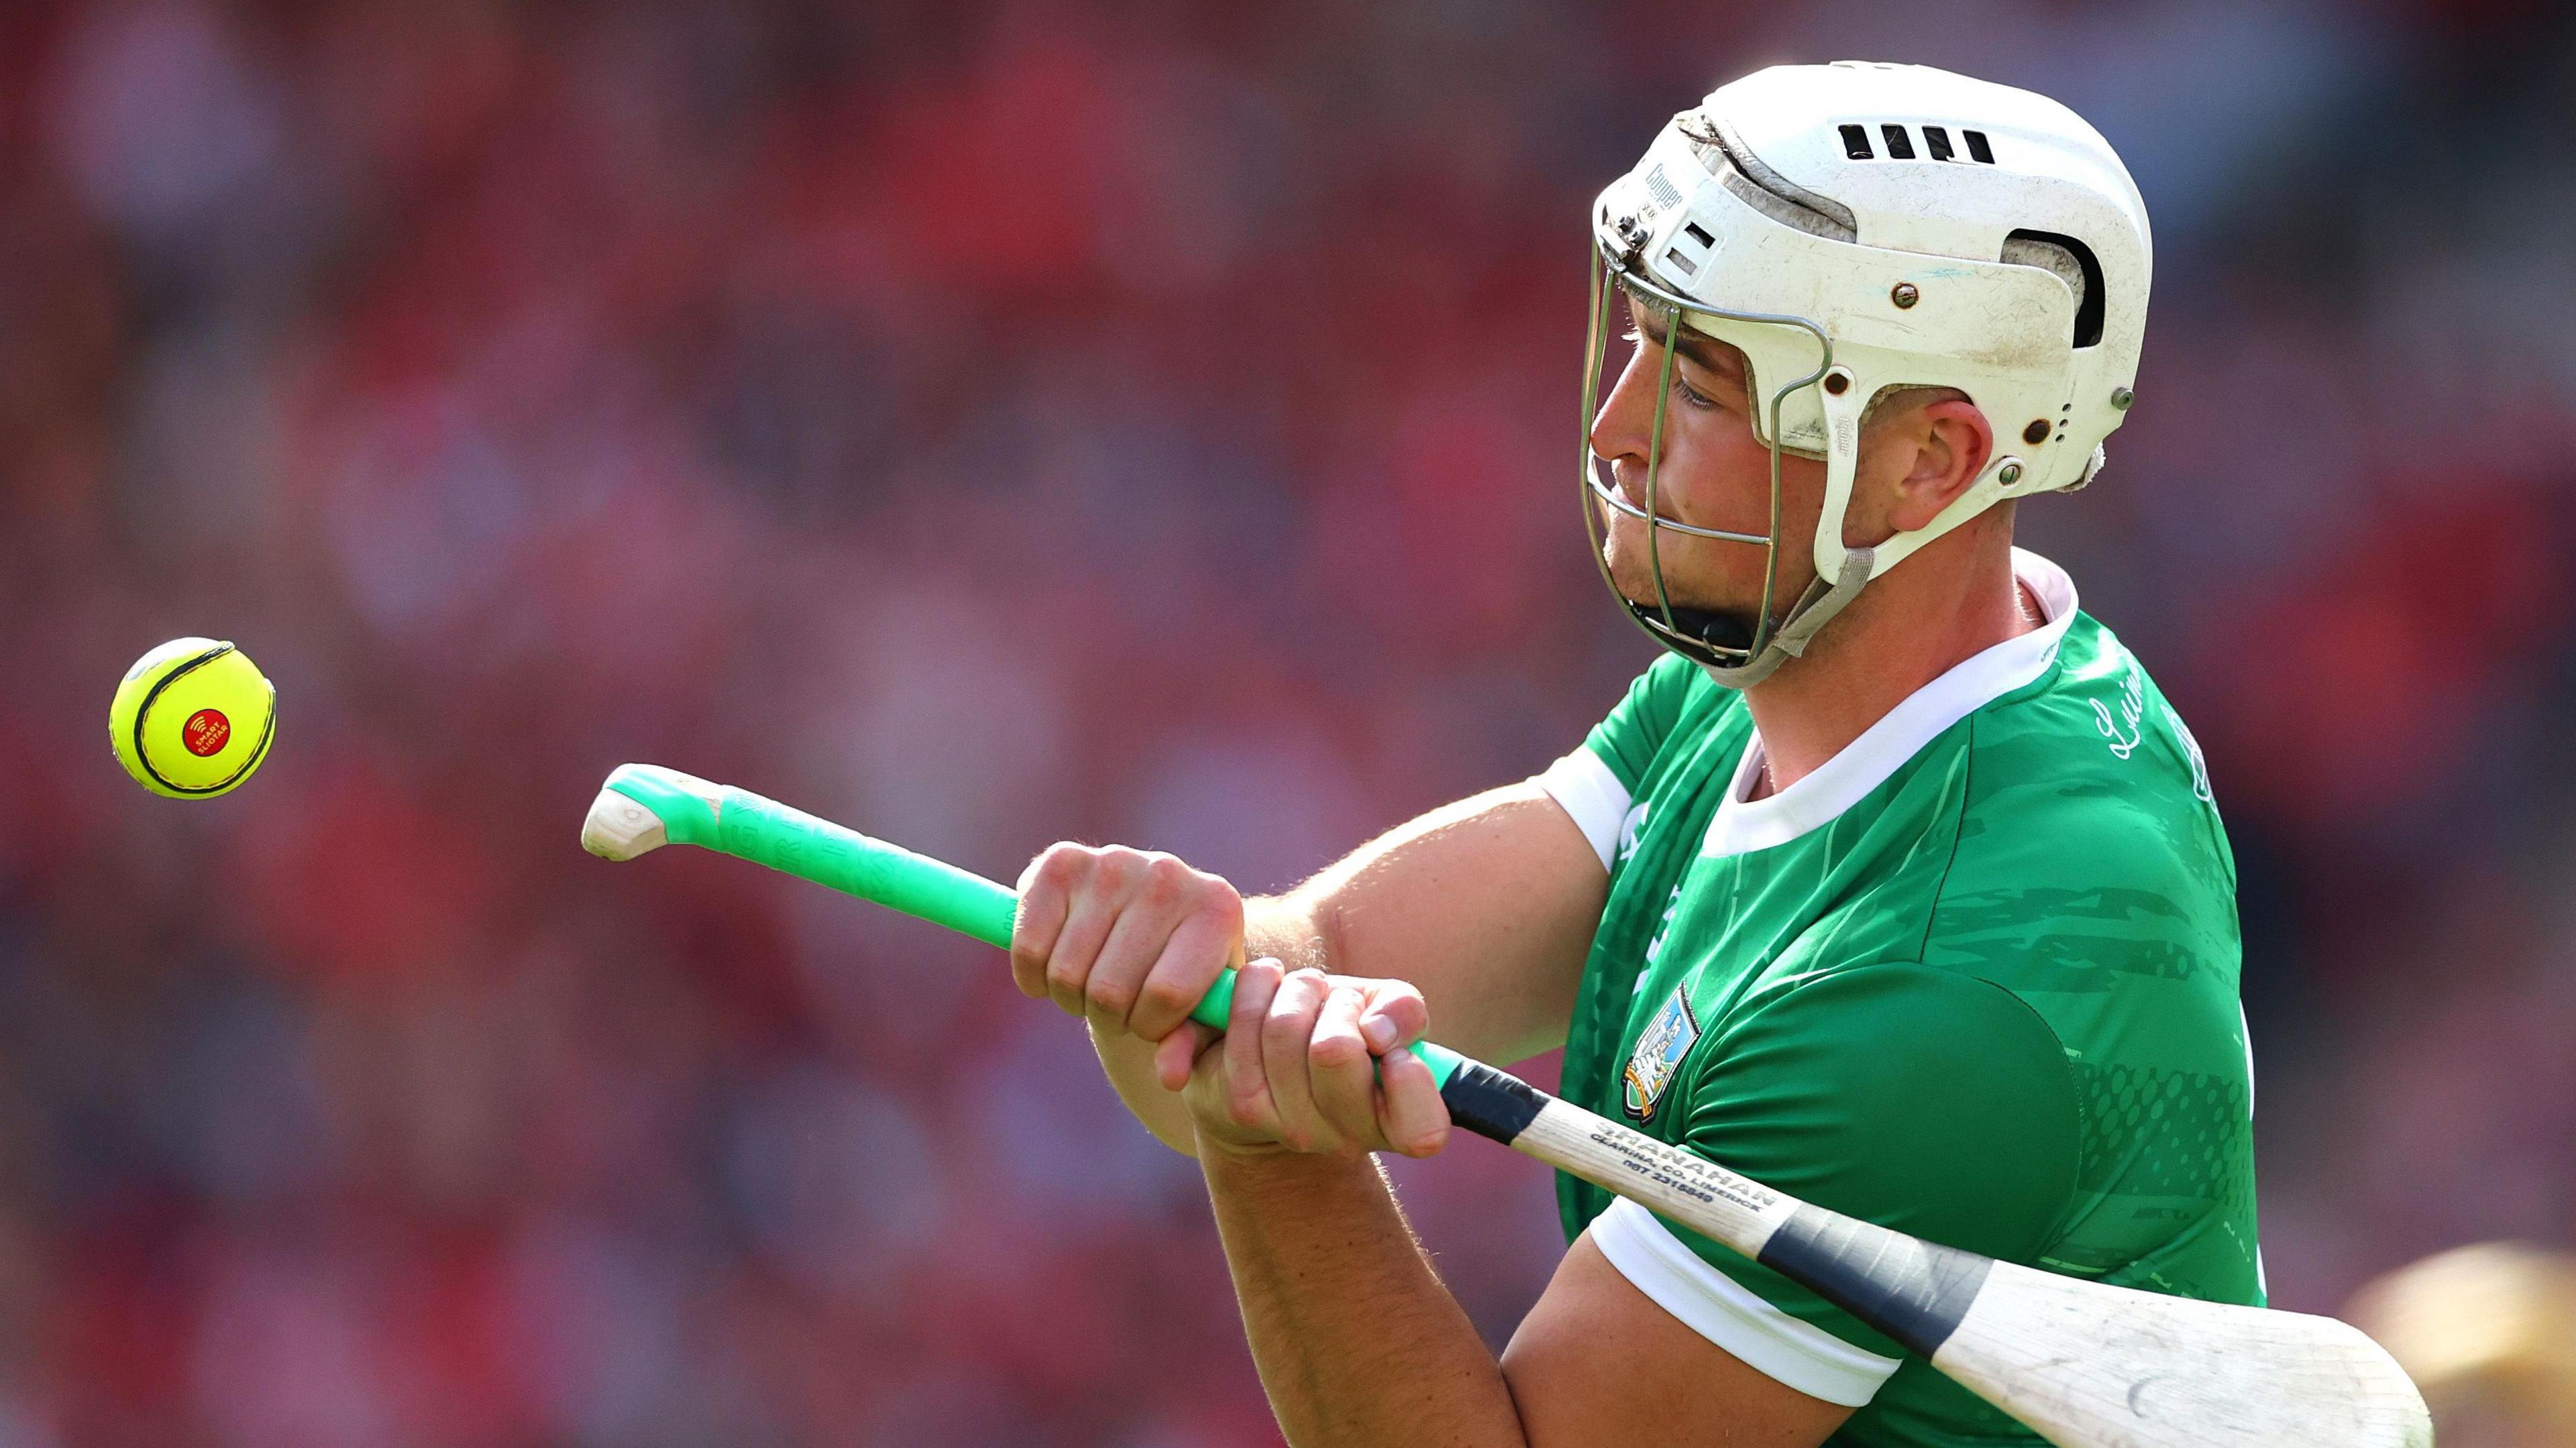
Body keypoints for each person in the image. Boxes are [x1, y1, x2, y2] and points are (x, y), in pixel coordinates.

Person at [1011, 61, 2259, 1447]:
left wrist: (1275, 1145)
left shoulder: (1944, 988)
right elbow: (1321, 957)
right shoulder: (1800, 678)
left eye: (1710, 385)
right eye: (1642, 344)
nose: (1617, 427)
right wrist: (1189, 978)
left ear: (1931, 463)